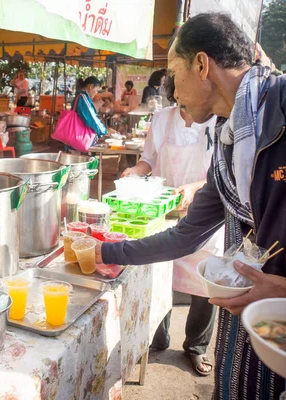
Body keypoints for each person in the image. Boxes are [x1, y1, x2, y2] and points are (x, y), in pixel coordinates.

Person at [96, 13, 286, 399]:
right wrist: (104, 250)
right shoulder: (227, 146)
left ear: (201, 65)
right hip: (259, 329)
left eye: (174, 74)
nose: (173, 89)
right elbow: (185, 236)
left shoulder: (280, 110)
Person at [122, 76, 222, 376]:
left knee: (206, 283)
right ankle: (157, 338)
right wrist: (134, 173)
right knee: (161, 274)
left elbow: (224, 171)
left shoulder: (220, 120)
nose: (184, 100)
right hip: (163, 212)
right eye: (178, 92)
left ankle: (196, 347)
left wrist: (194, 188)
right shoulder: (162, 118)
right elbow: (148, 161)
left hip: (206, 214)